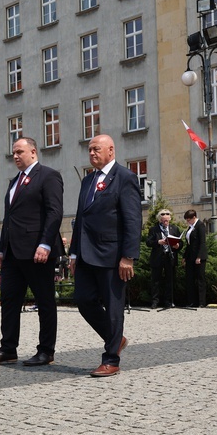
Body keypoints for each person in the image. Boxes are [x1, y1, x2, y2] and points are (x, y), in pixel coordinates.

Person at [0, 137, 64, 367]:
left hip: (37, 250)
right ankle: (8, 348)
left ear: (33, 152)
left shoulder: (48, 176)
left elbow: (54, 212)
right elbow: (9, 219)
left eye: (20, 152)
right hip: (12, 253)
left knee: (44, 301)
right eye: (13, 153)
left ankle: (46, 350)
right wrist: (2, 248)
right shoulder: (14, 181)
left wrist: (46, 243)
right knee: (9, 301)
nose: (15, 156)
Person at [69, 134, 142, 377]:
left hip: (112, 256)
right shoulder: (88, 181)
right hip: (86, 255)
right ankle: (116, 339)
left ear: (111, 150)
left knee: (113, 308)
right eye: (89, 149)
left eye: (96, 149)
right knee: (83, 300)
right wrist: (73, 253)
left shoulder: (125, 178)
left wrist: (128, 256)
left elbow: (132, 219)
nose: (91, 153)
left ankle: (111, 359)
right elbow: (81, 218)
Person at [145, 209, 183, 309]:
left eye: (167, 220)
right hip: (157, 257)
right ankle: (155, 301)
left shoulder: (174, 228)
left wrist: (178, 245)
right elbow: (148, 242)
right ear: (160, 219)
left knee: (170, 280)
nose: (166, 222)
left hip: (170, 257)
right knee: (155, 280)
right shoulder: (154, 229)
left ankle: (168, 301)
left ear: (170, 219)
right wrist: (158, 242)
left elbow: (181, 242)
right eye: (164, 220)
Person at [183, 209, 208, 308]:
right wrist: (185, 256)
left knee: (200, 279)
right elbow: (189, 244)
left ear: (194, 217)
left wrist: (199, 256)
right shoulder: (190, 227)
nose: (187, 222)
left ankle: (201, 302)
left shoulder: (200, 225)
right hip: (190, 256)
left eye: (189, 220)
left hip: (198, 256)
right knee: (190, 279)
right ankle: (191, 301)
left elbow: (202, 242)